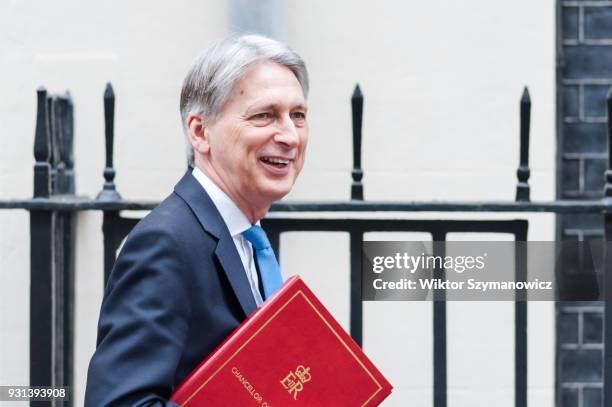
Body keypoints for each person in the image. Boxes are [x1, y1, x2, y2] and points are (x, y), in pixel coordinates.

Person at [85, 34, 309, 406]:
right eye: (264, 115)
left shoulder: (247, 237)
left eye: (298, 115)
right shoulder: (165, 243)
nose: (289, 136)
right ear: (200, 132)